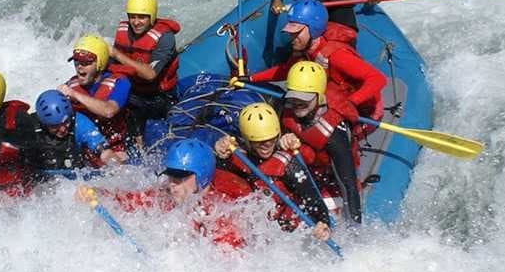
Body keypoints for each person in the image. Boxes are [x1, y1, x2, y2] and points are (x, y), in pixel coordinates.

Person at [78, 138, 254, 248]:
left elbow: (231, 262)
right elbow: (130, 201)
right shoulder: (169, 194)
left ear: (201, 176)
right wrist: (97, 192)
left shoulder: (220, 210)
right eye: (170, 176)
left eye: (180, 178)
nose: (172, 184)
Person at [250, 0, 387, 126]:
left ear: (314, 29)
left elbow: (378, 79)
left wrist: (351, 102)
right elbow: (287, 70)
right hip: (337, 98)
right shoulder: (304, 49)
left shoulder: (336, 55)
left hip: (363, 108)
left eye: (297, 31)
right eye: (291, 32)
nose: (292, 37)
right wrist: (251, 78)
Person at [214, 102, 333, 240]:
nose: (266, 145)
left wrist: (323, 223)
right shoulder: (239, 157)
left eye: (271, 139)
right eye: (258, 141)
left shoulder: (288, 164)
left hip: (289, 231)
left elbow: (314, 200)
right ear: (247, 140)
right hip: (258, 230)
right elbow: (217, 178)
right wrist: (220, 153)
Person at [278, 61, 365, 223]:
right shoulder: (288, 111)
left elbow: (348, 185)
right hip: (305, 173)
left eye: (304, 99)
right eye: (294, 98)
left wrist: (354, 230)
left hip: (331, 180)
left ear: (319, 96)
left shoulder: (333, 134)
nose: (297, 104)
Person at [108, 0, 180, 144]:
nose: (136, 22)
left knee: (142, 117)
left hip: (160, 97)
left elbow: (150, 74)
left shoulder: (165, 38)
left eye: (141, 17)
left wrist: (117, 55)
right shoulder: (124, 32)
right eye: (132, 17)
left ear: (151, 17)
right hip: (134, 93)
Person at [17, 90, 127, 175]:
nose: (63, 129)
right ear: (43, 123)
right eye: (55, 126)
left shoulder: (79, 122)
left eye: (66, 122)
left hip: (73, 180)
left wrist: (118, 166)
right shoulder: (29, 127)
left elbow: (104, 152)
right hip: (39, 178)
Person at [59, 34, 131, 153]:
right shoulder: (71, 85)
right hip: (84, 147)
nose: (79, 67)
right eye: (76, 62)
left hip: (114, 147)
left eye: (86, 63)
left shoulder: (121, 83)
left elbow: (109, 111)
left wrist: (75, 95)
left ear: (100, 64)